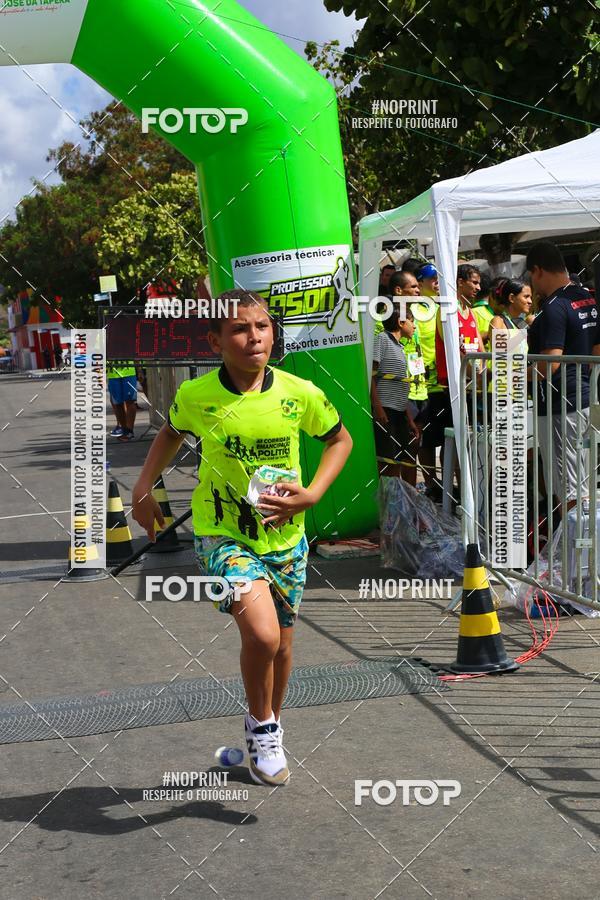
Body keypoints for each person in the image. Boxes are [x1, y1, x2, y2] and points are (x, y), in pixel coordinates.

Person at [132, 289, 352, 786]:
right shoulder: (196, 396)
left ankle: (263, 734)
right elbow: (172, 432)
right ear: (216, 340)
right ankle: (264, 726)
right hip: (222, 535)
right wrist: (144, 487)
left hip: (286, 539)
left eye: (262, 327)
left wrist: (312, 493)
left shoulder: (299, 392)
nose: (254, 337)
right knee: (263, 633)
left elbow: (340, 439)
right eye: (239, 329)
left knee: (283, 645)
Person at [526, 242, 597, 511]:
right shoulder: (586, 297)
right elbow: (596, 349)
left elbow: (550, 362)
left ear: (538, 270)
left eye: (532, 276)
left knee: (567, 485)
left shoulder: (555, 306)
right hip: (583, 397)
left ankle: (572, 552)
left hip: (559, 404)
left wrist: (515, 376)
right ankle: (578, 548)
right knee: (582, 480)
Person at [371, 305, 419, 481]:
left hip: (399, 412)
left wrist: (410, 419)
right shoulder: (382, 340)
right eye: (412, 322)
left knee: (400, 460)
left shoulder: (400, 347)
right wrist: (378, 408)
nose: (414, 326)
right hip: (386, 410)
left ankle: (395, 504)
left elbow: (400, 387)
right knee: (388, 464)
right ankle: (386, 504)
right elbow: (371, 377)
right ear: (400, 322)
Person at [107, 361, 138, 441]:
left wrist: (139, 370)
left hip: (129, 372)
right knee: (117, 403)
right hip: (112, 374)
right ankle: (124, 430)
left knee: (131, 401)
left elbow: (135, 353)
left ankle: (129, 431)